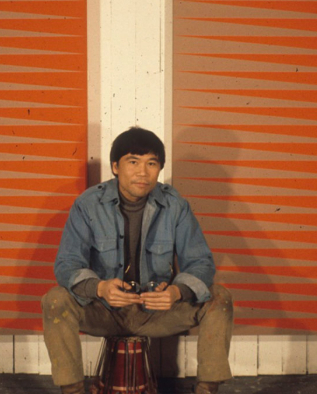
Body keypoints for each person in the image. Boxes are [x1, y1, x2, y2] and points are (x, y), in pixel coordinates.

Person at [41, 127, 233, 394]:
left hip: (155, 312)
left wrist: (177, 291)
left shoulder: (175, 205)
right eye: (133, 162)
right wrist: (100, 288)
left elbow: (201, 262)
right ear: (115, 166)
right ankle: (72, 390)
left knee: (219, 297)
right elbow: (67, 264)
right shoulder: (87, 204)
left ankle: (207, 389)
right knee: (55, 299)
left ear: (159, 169)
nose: (143, 172)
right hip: (104, 310)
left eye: (151, 163)